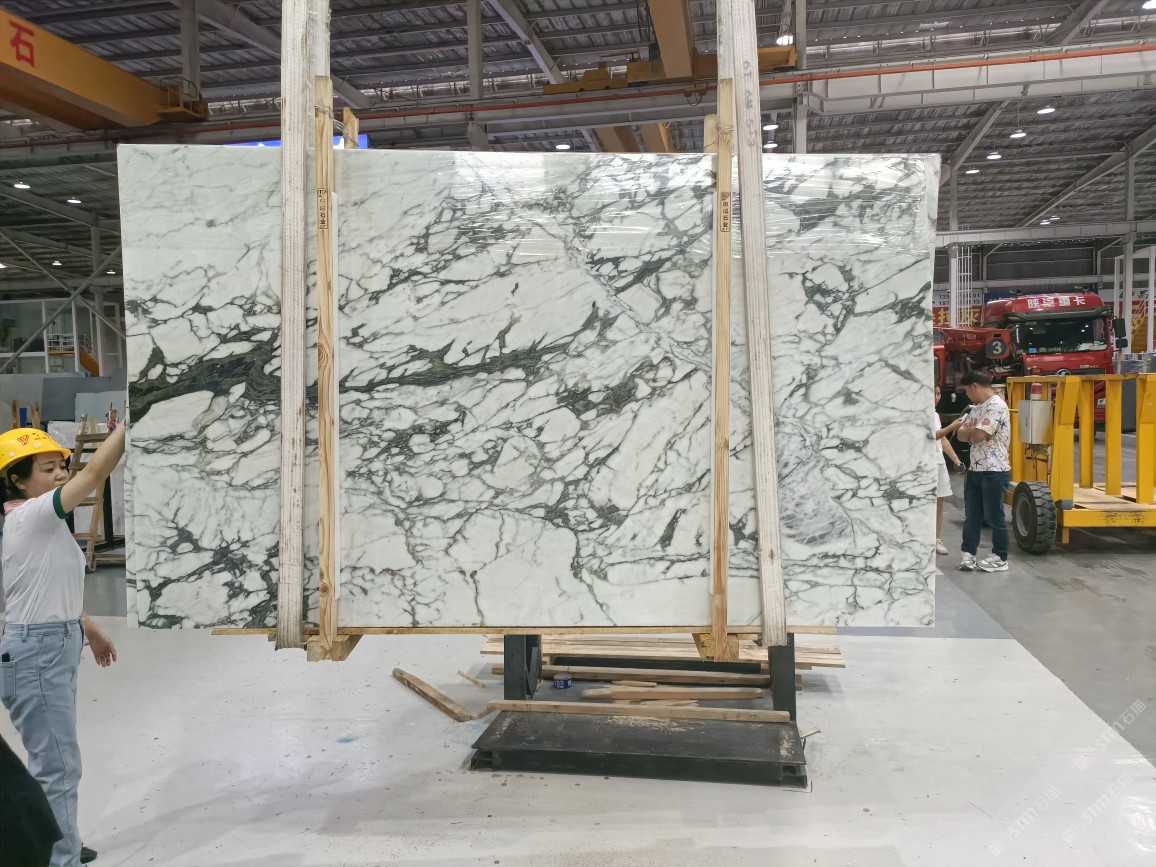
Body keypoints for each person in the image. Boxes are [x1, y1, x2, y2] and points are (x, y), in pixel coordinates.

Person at [0, 425, 126, 867]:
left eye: (62, 466)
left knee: (56, 758)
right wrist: (129, 427)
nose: (61, 474)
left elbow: (45, 588)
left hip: (50, 644)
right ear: (17, 480)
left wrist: (89, 629)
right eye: (48, 468)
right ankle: (60, 859)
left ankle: (59, 843)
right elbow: (93, 474)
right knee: (57, 764)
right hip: (37, 651)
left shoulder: (39, 522)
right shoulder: (30, 517)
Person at [942, 371, 1012, 572]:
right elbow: (961, 436)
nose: (967, 395)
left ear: (974, 386)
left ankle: (1000, 557)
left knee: (994, 516)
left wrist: (972, 430)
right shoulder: (977, 408)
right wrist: (973, 431)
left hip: (994, 470)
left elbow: (976, 437)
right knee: (972, 515)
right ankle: (968, 554)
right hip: (975, 469)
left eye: (967, 390)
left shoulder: (997, 406)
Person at [932, 384, 964, 555]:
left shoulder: (935, 415)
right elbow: (933, 435)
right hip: (926, 465)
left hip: (939, 463)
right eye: (934, 394)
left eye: (938, 394)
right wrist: (952, 426)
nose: (937, 397)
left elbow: (942, 439)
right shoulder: (921, 415)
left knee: (939, 503)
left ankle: (936, 539)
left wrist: (956, 459)